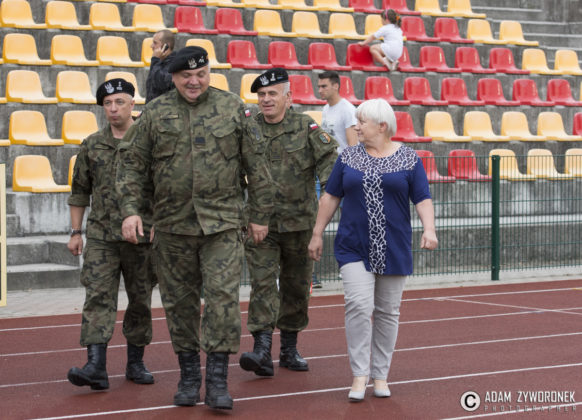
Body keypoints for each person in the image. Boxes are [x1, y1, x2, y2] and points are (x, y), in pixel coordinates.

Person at [116, 46, 273, 411]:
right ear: (173, 77)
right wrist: (130, 211)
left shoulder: (232, 108)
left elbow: (257, 163)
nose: (194, 81)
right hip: (172, 227)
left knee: (222, 300)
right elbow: (131, 165)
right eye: (186, 76)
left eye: (200, 74)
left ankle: (217, 381)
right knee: (179, 305)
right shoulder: (156, 112)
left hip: (222, 225)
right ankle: (189, 378)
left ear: (208, 73)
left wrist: (260, 214)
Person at [308, 98, 438, 402]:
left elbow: (422, 198)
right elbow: (330, 197)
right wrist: (316, 233)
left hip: (394, 246)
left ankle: (380, 375)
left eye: (362, 121)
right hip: (353, 245)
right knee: (358, 305)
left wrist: (429, 229)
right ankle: (359, 374)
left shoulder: (409, 159)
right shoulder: (348, 157)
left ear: (382, 126)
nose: (356, 127)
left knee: (388, 312)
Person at [239, 68, 338, 378]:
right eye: (261, 95)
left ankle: (289, 349)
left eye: (272, 94)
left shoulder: (305, 127)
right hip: (261, 225)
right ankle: (261, 349)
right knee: (263, 285)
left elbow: (330, 162)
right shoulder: (248, 128)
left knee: (296, 287)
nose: (266, 100)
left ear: (288, 98)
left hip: (300, 225)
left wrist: (330, 195)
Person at [67, 78, 155, 391]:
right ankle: (95, 366)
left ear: (133, 103)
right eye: (107, 103)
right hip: (102, 236)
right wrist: (76, 232)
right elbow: (80, 191)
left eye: (119, 102)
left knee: (140, 301)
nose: (113, 108)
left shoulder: (150, 142)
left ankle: (135, 363)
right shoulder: (92, 144)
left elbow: (165, 188)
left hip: (141, 238)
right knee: (97, 298)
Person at [317, 71, 358, 154]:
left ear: (335, 86)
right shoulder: (326, 108)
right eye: (319, 87)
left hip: (342, 159)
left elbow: (353, 147)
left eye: (324, 86)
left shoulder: (348, 110)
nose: (320, 90)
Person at [146, 29, 176, 103]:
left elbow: (160, 83)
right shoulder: (159, 62)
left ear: (166, 46)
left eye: (155, 43)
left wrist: (155, 60)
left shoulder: (175, 63)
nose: (151, 46)